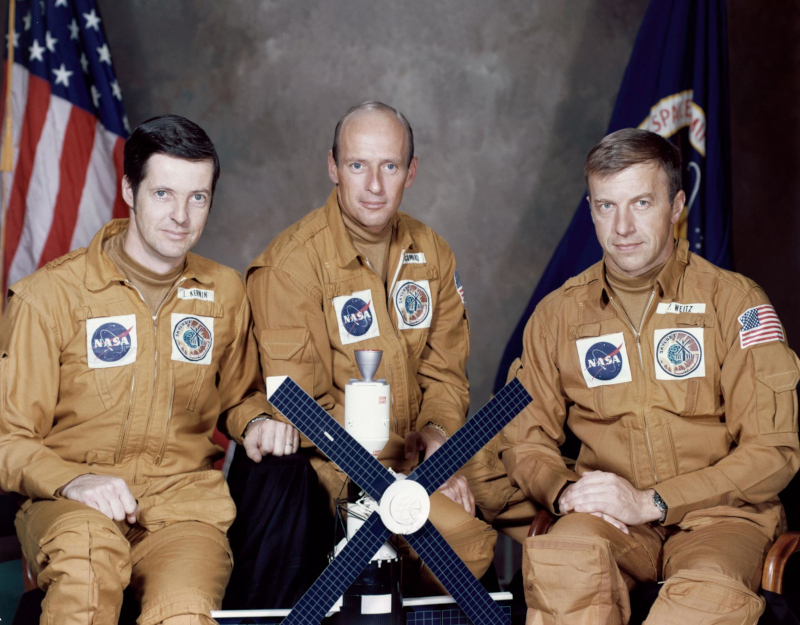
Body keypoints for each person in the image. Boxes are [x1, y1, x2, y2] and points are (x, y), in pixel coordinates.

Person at [498, 128, 800, 624]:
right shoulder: (556, 317)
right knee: (564, 558)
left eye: (641, 202)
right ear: (590, 209)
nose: (622, 226)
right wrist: (562, 491)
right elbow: (525, 444)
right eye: (605, 206)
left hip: (720, 520)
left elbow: (773, 453)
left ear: (676, 204)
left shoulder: (735, 303)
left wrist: (654, 501)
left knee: (704, 598)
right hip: (610, 519)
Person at [0, 114, 266, 625]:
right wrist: (74, 481)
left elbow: (239, 396)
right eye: (163, 193)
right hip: (73, 507)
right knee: (86, 575)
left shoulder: (224, 293)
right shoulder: (49, 298)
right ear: (128, 188)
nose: (181, 216)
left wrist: (255, 422)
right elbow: (10, 439)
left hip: (182, 510)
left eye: (198, 197)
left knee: (186, 614)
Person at [239, 101, 497, 595]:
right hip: (345, 468)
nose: (375, 186)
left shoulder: (431, 252)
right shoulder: (290, 267)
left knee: (543, 496)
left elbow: (445, 376)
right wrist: (412, 479)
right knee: (467, 545)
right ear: (333, 167)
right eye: (358, 165)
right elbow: (298, 406)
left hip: (425, 448)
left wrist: (440, 439)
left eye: (390, 166)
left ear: (412, 171)